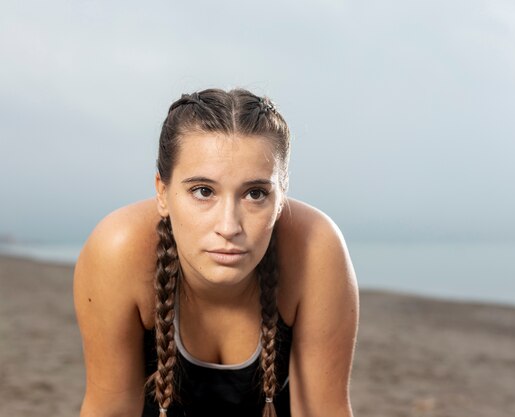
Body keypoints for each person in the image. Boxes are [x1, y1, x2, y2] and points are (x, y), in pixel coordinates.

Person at [73, 88, 359, 417]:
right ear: (162, 193)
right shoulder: (118, 249)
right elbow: (110, 409)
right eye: (203, 191)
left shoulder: (315, 249)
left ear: (281, 198)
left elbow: (323, 411)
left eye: (254, 194)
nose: (229, 226)